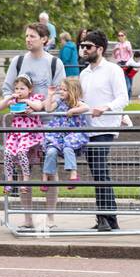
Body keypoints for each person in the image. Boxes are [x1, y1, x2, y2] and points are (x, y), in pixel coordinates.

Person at [77, 30, 128, 231]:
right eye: (82, 46)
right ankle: (109, 217)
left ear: (100, 49)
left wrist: (105, 108)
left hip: (105, 126)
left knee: (99, 169)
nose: (84, 50)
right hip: (87, 129)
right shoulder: (84, 73)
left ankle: (105, 217)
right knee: (98, 172)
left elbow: (123, 98)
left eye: (87, 46)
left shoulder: (113, 70)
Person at [40, 77, 90, 229]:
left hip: (71, 134)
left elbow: (86, 108)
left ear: (72, 91)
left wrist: (73, 110)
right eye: (60, 89)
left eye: (64, 89)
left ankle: (73, 174)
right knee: (50, 151)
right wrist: (50, 95)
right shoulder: (59, 102)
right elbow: (48, 109)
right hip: (57, 134)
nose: (61, 91)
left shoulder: (76, 103)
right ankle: (45, 176)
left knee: (68, 148)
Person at [0, 75, 45, 228]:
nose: (19, 91)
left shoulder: (34, 97)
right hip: (16, 133)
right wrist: (10, 97)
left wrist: (27, 101)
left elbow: (39, 106)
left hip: (30, 132)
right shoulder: (14, 100)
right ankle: (9, 180)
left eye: (22, 88)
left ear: (29, 89)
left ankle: (25, 179)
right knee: (8, 153)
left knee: (22, 152)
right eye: (16, 88)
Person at [1, 22, 64, 99]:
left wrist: (38, 106)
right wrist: (15, 103)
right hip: (21, 110)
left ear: (44, 39)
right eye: (26, 36)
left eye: (32, 36)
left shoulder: (55, 63)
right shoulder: (17, 61)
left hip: (46, 111)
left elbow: (59, 93)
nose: (28, 39)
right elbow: (7, 90)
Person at [112, 30, 135, 94]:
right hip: (121, 64)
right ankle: (126, 98)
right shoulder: (117, 45)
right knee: (126, 82)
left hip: (128, 63)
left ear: (125, 36)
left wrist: (128, 49)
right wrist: (115, 50)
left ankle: (129, 99)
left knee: (130, 80)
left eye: (122, 35)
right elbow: (115, 57)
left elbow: (131, 55)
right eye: (119, 35)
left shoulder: (128, 43)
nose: (120, 37)